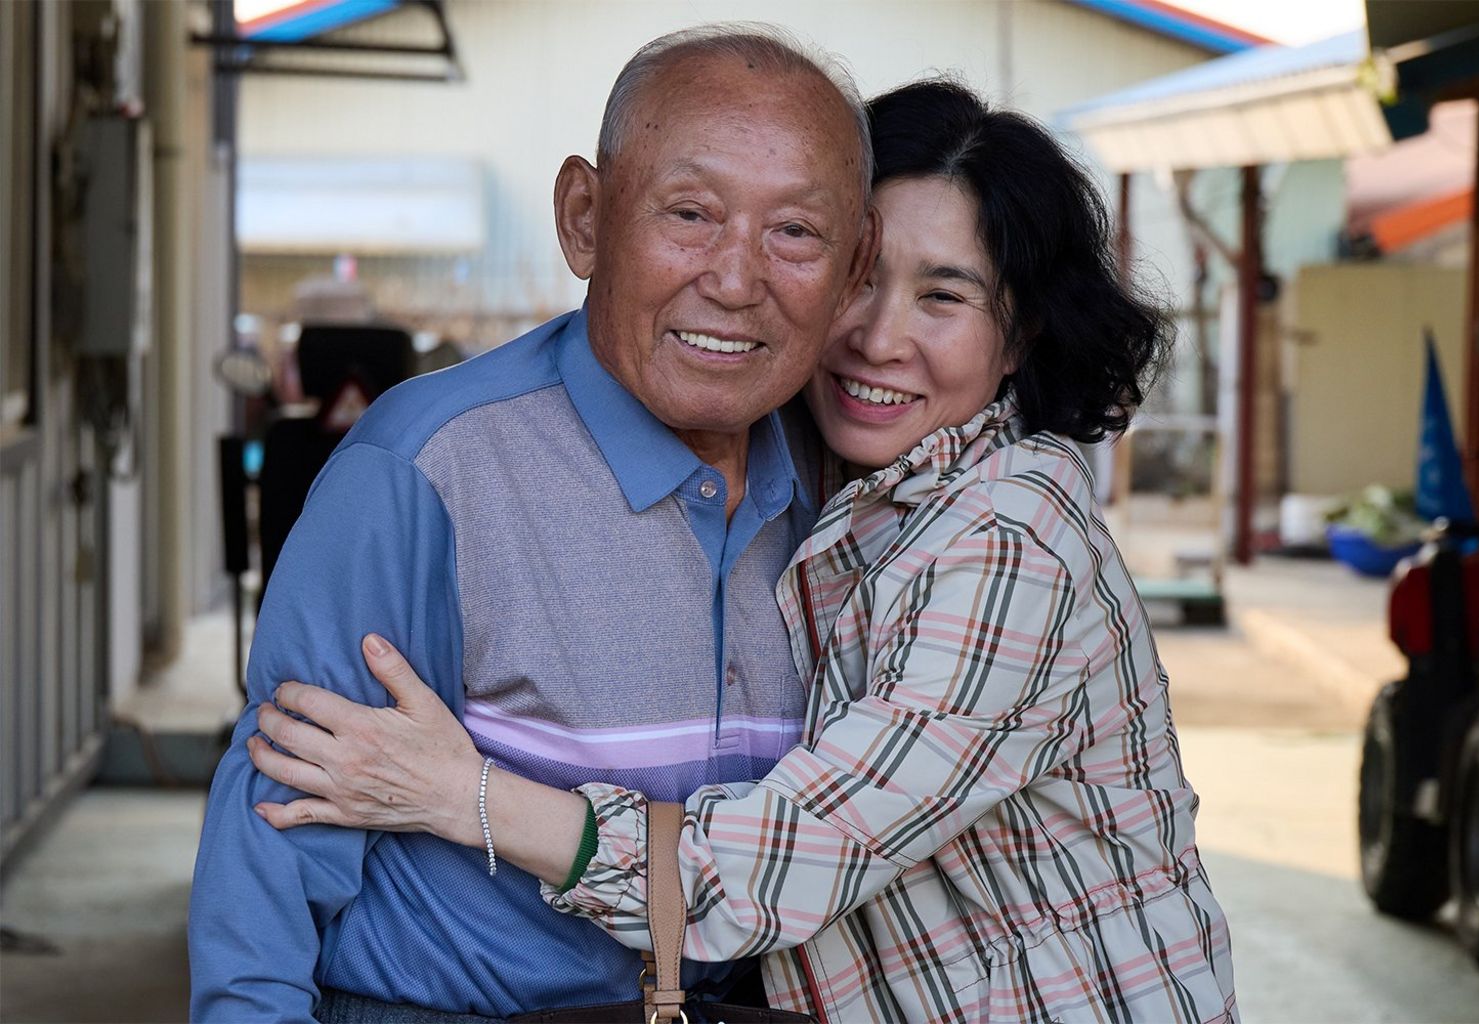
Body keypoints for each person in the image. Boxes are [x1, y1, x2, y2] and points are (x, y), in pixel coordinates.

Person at [249, 80, 1240, 1022]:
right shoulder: (817, 482)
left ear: (1017, 335)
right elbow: (270, 829)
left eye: (944, 297)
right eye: (860, 274)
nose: (879, 338)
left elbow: (772, 870)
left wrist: (461, 795)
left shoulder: (1011, 535)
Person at [188, 25, 877, 1022]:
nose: (736, 279)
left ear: (856, 267)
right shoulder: (427, 468)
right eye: (690, 212)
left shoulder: (847, 491)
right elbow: (273, 845)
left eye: (796, 234)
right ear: (585, 218)